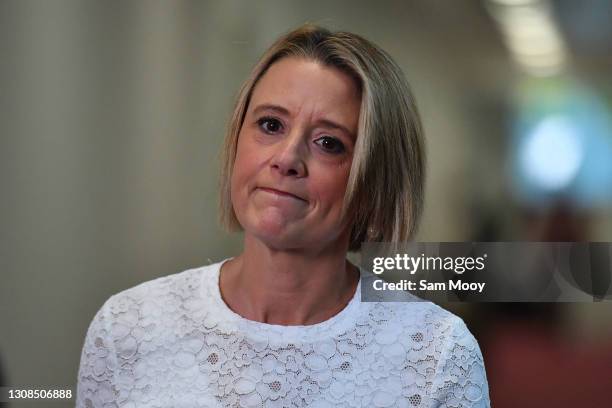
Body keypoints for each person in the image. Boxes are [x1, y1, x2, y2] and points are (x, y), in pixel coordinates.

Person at [76, 24, 490, 407]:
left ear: (373, 182)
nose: (287, 158)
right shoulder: (127, 328)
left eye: (329, 142)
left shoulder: (436, 356)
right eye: (271, 124)